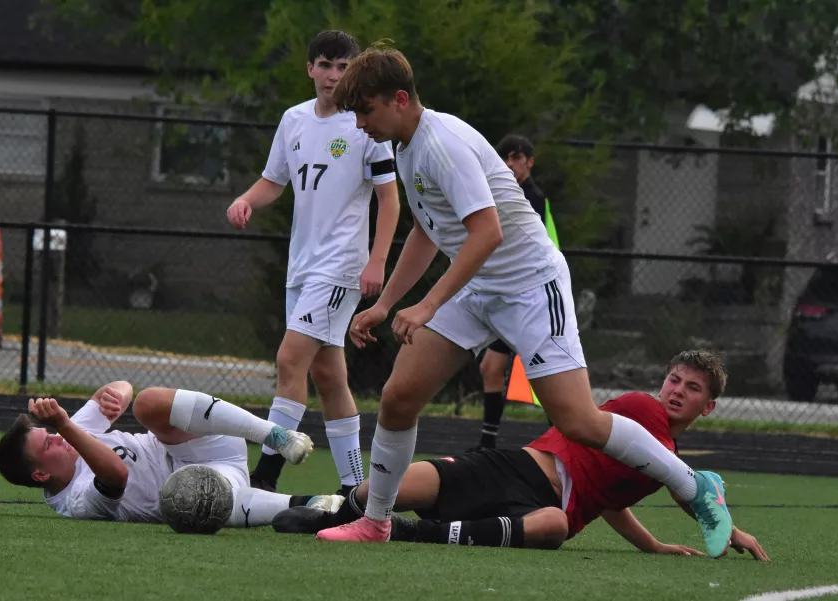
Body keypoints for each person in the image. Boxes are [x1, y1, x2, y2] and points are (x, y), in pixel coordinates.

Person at [315, 42, 733, 559]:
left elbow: (487, 233)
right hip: (481, 286)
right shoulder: (404, 145)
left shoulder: (441, 144)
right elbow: (428, 229)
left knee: (578, 421)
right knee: (399, 396)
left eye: (366, 111)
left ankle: (695, 485)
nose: (360, 124)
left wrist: (426, 306)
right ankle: (375, 522)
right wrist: (386, 304)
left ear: (399, 99)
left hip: (531, 286)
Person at [275, 351, 769, 561]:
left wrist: (653, 546)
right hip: (513, 468)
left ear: (709, 406)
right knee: (373, 492)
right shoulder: (644, 410)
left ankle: (408, 531)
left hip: (541, 509)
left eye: (692, 388)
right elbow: (687, 486)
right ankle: (315, 511)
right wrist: (730, 528)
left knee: (556, 525)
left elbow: (609, 503)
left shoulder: (661, 460)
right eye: (674, 380)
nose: (676, 391)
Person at [226, 30, 400, 495]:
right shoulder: (294, 120)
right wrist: (246, 200)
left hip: (340, 266)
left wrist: (377, 260)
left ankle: (264, 477)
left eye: (344, 67)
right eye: (325, 65)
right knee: (328, 376)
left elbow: (389, 199)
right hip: (302, 266)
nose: (334, 75)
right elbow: (274, 180)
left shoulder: (365, 125)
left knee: (289, 359)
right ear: (310, 69)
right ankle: (354, 487)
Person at [0, 381, 340, 529]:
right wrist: (66, 426)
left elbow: (122, 387)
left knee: (146, 402)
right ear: (40, 474)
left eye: (51, 432)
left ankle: (274, 435)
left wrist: (115, 395)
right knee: (194, 499)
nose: (57, 438)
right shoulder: (76, 503)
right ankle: (314, 504)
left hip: (197, 444)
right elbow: (116, 475)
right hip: (206, 489)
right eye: (48, 444)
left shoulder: (69, 432)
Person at [476, 134, 556, 449]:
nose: (509, 164)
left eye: (516, 158)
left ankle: (563, 438)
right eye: (505, 158)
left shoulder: (532, 198)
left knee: (545, 373)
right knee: (490, 367)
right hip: (506, 296)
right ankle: (487, 443)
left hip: (530, 298)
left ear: (529, 162)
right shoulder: (496, 192)